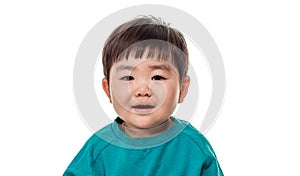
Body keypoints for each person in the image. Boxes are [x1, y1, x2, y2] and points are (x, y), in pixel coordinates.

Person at [64, 16, 223, 175]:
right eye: (128, 78)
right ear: (108, 90)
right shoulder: (98, 149)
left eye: (157, 77)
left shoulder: (194, 148)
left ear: (182, 89)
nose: (142, 91)